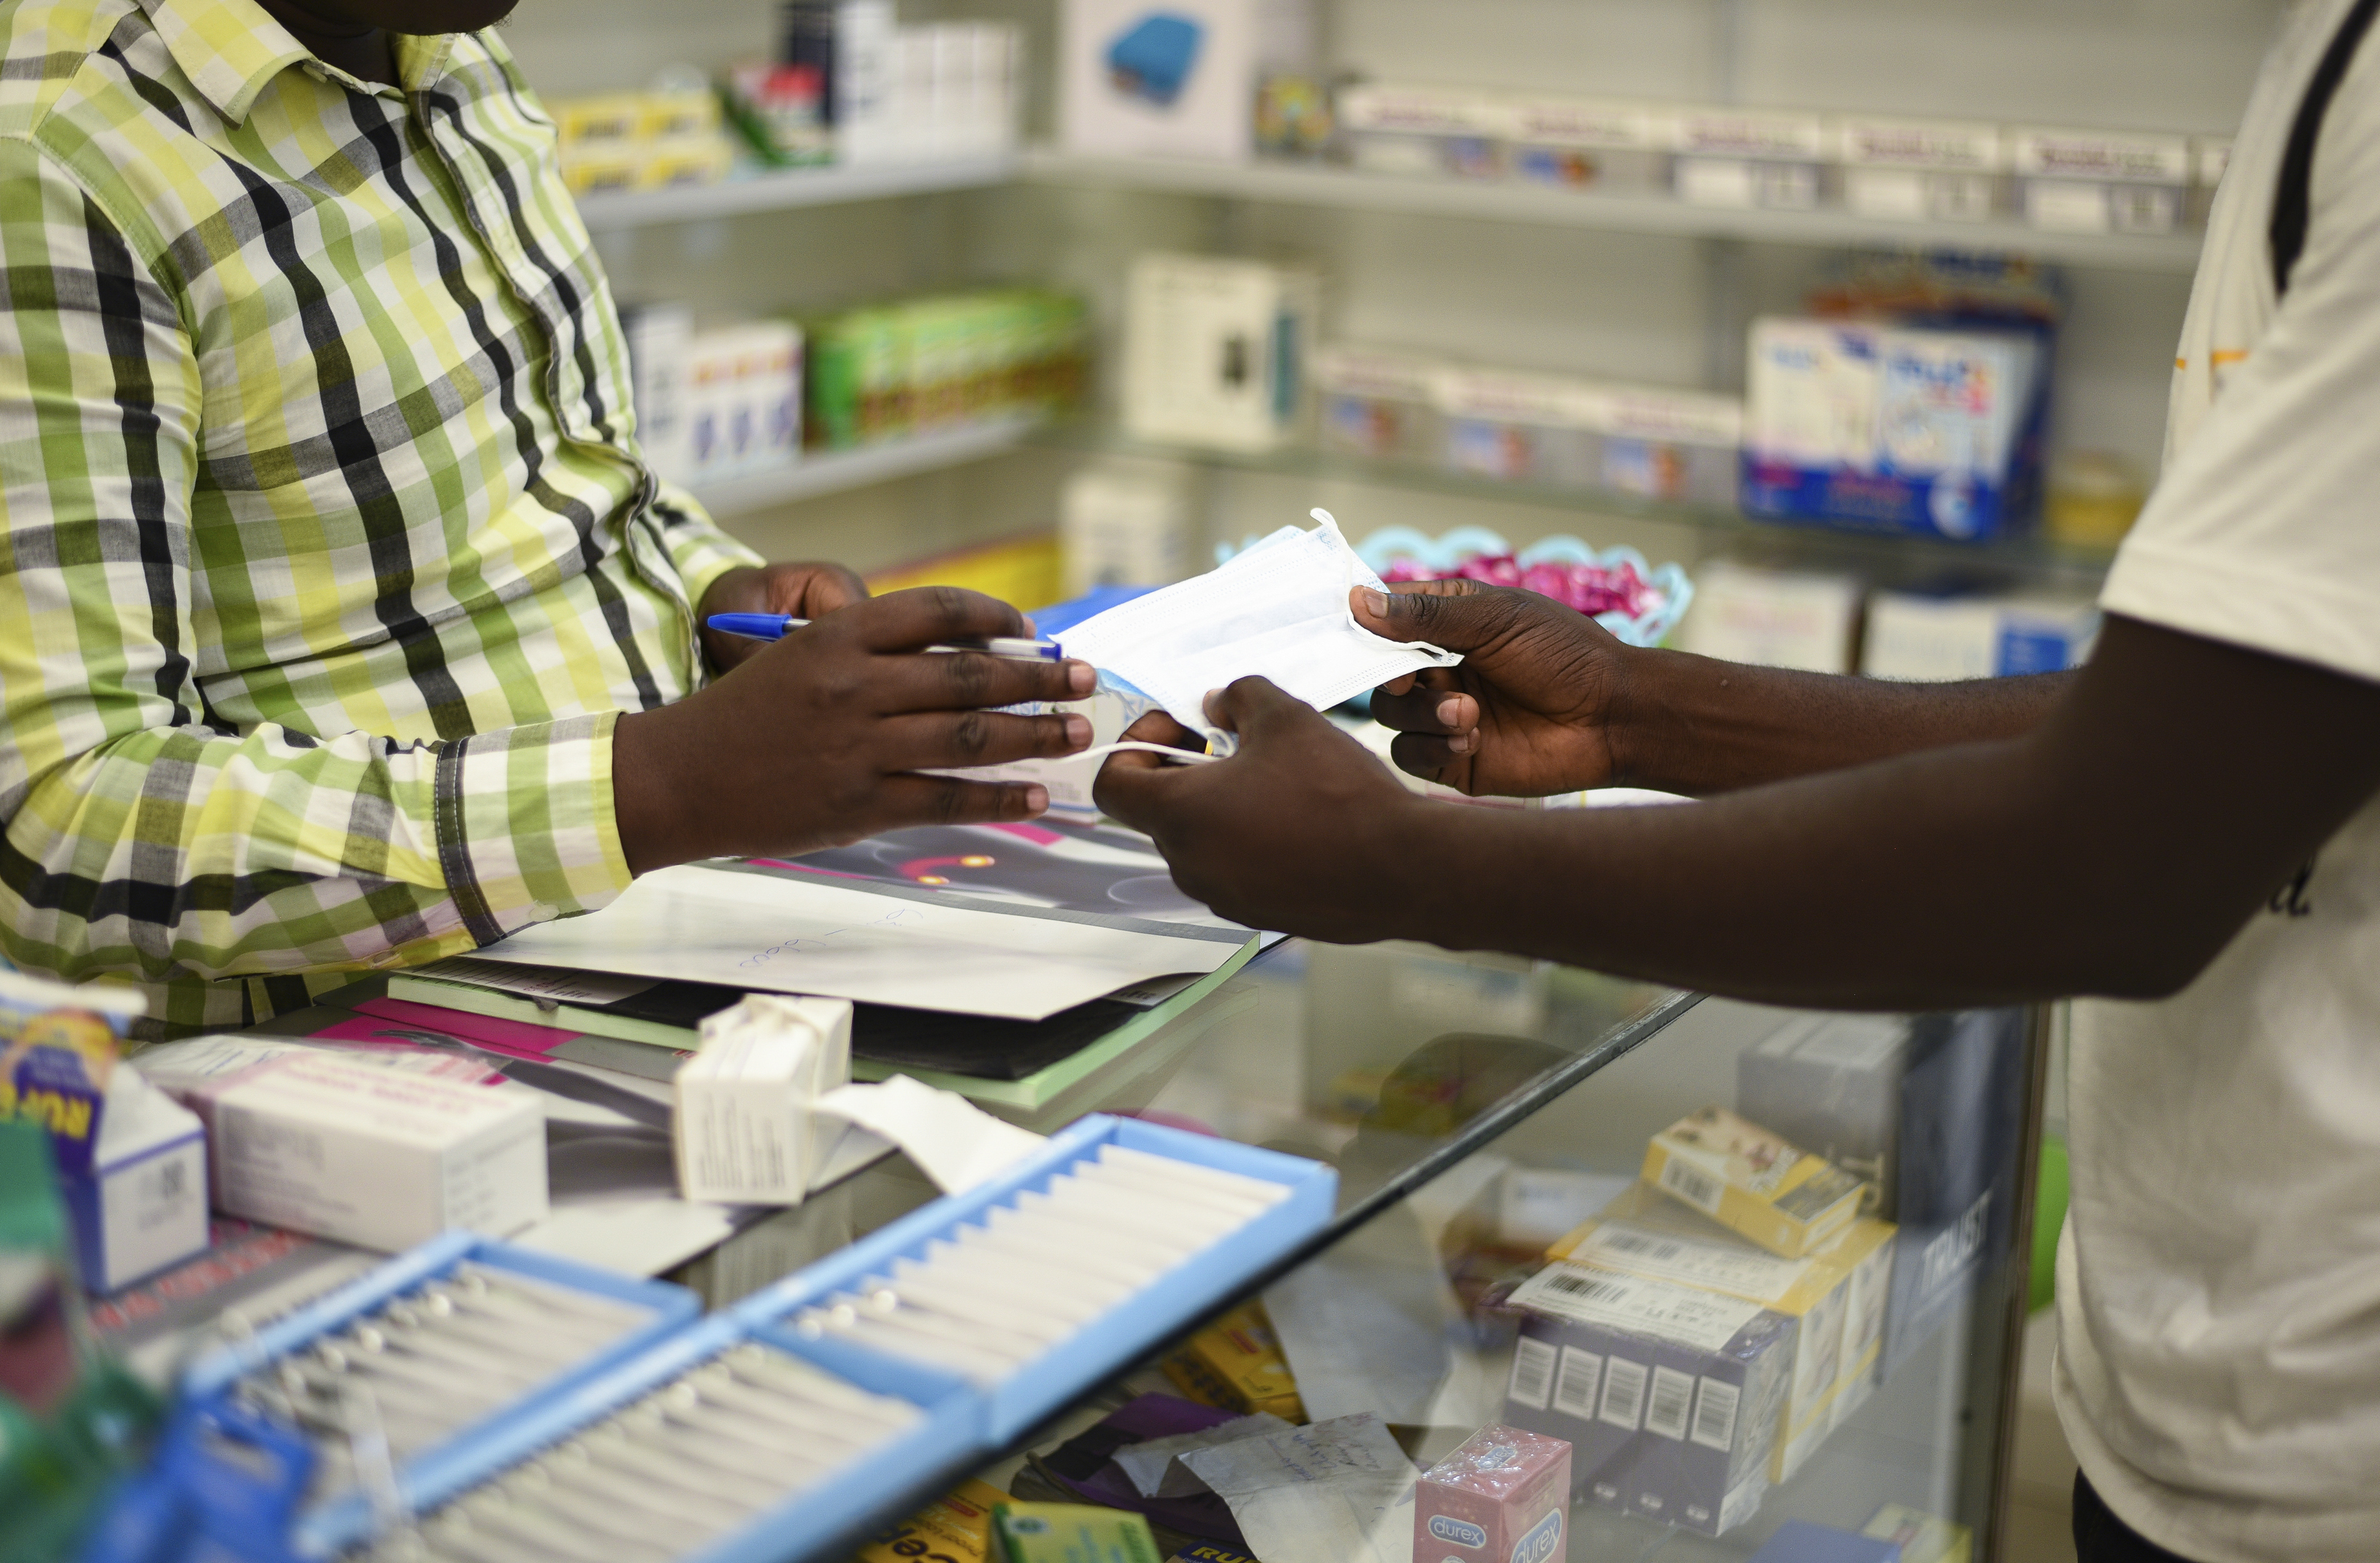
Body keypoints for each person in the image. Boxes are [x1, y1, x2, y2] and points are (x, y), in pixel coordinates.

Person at [1099, 6, 2380, 1561]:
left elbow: (2111, 858)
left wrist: (1410, 869)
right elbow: (2202, 728)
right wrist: (1634, 713)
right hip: (2230, 1378)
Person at [0, 0, 1093, 1035]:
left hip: (659, 928)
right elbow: (59, 823)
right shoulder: (57, 156)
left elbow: (564, 472)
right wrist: (661, 784)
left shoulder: (445, 51)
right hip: (365, 1039)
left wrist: (710, 585)